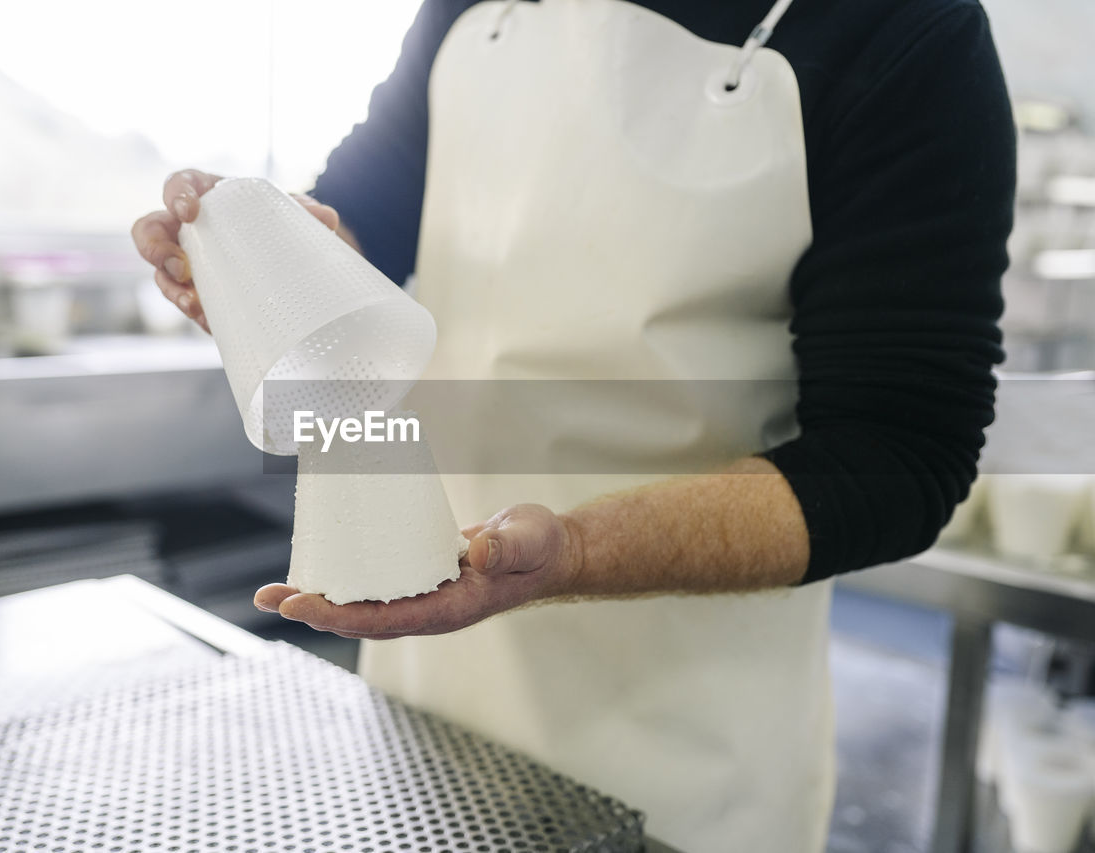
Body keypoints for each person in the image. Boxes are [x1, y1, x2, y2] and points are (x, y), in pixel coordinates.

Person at [132, 0, 1015, 849]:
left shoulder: (905, 32)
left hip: (687, 750)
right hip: (424, 695)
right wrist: (267, 261)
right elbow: (364, 216)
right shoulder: (470, 10)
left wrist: (575, 554)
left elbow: (897, 456)